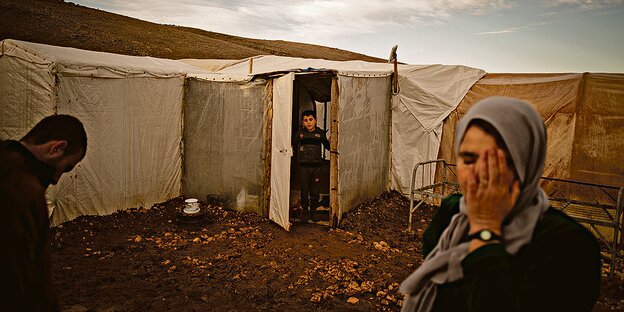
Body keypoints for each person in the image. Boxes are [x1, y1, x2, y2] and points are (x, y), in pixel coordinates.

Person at [400, 96, 600, 312]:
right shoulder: (452, 212)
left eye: (495, 162)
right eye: (468, 159)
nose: (479, 173)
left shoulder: (569, 246)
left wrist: (485, 230)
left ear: (525, 165)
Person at [0, 115, 88, 311]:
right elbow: (23, 282)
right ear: (56, 148)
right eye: (65, 168)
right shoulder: (23, 191)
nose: (56, 179)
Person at [293, 110, 330, 222]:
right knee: (304, 190)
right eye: (305, 120)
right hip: (303, 168)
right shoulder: (300, 134)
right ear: (303, 122)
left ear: (315, 120)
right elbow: (292, 146)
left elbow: (328, 147)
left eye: (311, 120)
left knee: (315, 191)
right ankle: (305, 213)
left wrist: (331, 141)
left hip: (316, 168)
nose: (308, 122)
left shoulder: (320, 133)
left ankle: (313, 214)